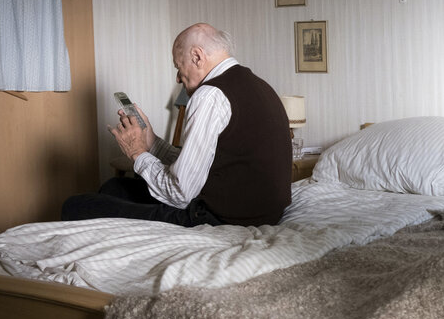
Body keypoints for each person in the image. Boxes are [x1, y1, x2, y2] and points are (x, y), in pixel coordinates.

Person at [62, 23, 292, 227]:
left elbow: (180, 192)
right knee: (115, 187)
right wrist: (151, 142)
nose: (178, 77)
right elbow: (201, 165)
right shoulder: (258, 85)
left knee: (76, 206)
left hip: (223, 219)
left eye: (178, 65)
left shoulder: (209, 95)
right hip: (263, 213)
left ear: (197, 57)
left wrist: (137, 153)